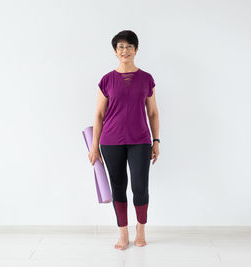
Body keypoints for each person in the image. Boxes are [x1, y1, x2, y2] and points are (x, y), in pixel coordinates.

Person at [88, 30, 160, 250]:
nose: (125, 50)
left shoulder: (146, 79)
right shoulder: (106, 80)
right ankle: (123, 233)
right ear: (115, 51)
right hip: (110, 141)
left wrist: (156, 140)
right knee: (118, 187)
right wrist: (94, 146)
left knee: (140, 186)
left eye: (129, 46)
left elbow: (153, 113)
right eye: (120, 47)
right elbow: (99, 114)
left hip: (140, 140)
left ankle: (141, 228)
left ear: (136, 50)